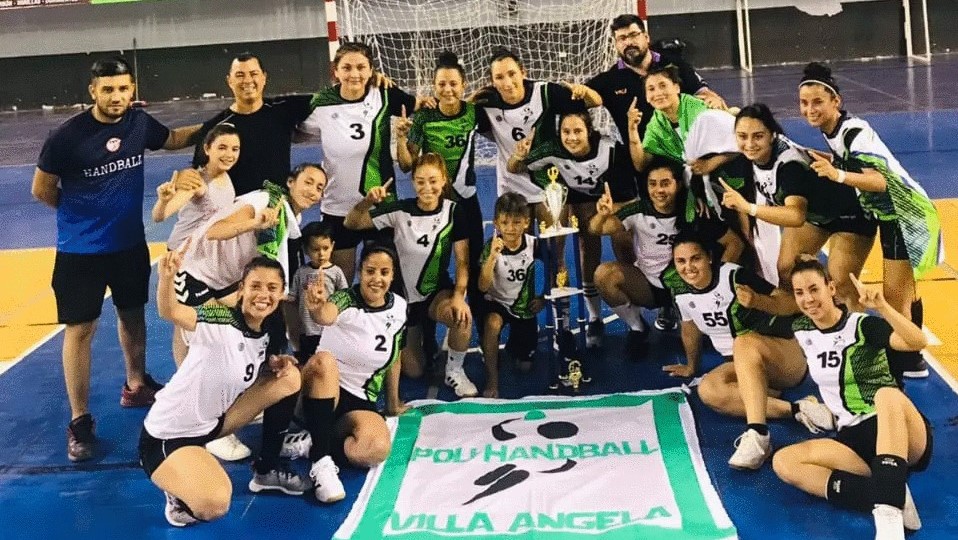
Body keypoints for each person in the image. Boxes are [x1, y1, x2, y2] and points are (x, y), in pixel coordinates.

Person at [31, 56, 200, 462]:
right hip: (80, 252)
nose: (116, 96)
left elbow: (174, 139)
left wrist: (225, 122)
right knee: (80, 330)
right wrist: (80, 217)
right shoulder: (67, 136)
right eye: (108, 89)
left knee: (133, 315)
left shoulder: (138, 124)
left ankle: (136, 384)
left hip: (129, 245)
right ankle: (79, 420)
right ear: (93, 91)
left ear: (132, 90)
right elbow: (42, 189)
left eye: (123, 88)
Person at [140, 251, 306, 527]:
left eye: (271, 288)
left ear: (281, 294)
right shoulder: (219, 319)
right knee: (214, 504)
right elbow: (170, 311)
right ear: (241, 290)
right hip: (168, 436)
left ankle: (268, 467)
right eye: (255, 286)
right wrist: (166, 279)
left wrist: (273, 363)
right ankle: (175, 489)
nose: (263, 294)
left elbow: (245, 366)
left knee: (289, 378)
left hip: (211, 426)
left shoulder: (267, 330)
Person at [799, 62, 942, 379]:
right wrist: (823, 158)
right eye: (804, 103)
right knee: (903, 289)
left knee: (896, 294)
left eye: (818, 102)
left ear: (836, 101)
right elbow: (850, 161)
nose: (810, 109)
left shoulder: (856, 132)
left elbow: (879, 180)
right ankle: (911, 357)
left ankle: (904, 360)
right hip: (891, 214)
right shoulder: (836, 132)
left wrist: (836, 174)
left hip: (906, 215)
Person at [773, 257, 932, 540]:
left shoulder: (862, 326)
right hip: (852, 438)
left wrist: (882, 307)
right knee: (784, 462)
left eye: (814, 289)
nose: (808, 299)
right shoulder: (801, 330)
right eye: (800, 293)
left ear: (831, 288)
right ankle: (890, 493)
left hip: (898, 429)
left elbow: (917, 342)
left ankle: (888, 523)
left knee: (887, 395)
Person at [175, 163, 325, 461]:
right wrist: (254, 223)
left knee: (231, 346)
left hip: (226, 281)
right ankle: (208, 429)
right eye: (308, 182)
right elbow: (217, 231)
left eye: (320, 188)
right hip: (198, 276)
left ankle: (233, 408)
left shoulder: (288, 216)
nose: (314, 191)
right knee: (212, 352)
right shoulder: (264, 201)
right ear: (290, 181)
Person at [664, 232, 836, 470]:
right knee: (709, 391)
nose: (689, 267)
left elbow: (789, 303)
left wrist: (758, 301)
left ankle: (758, 434)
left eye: (696, 259)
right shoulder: (679, 289)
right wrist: (691, 366)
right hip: (743, 366)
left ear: (710, 258)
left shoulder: (734, 276)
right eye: (681, 262)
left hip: (782, 355)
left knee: (743, 342)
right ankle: (799, 409)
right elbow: (690, 327)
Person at [345, 154, 477, 397]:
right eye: (420, 181)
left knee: (462, 317)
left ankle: (455, 371)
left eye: (433, 181)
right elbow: (352, 223)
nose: (427, 187)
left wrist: (459, 296)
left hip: (435, 295)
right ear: (413, 182)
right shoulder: (400, 211)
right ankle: (426, 341)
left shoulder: (454, 212)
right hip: (404, 301)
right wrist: (367, 202)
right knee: (414, 371)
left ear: (444, 181)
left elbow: (462, 262)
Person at [509, 110, 639, 348]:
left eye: (578, 131)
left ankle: (596, 318)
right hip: (564, 196)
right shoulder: (552, 151)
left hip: (599, 200)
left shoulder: (609, 150)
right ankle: (564, 325)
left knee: (592, 248)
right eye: (566, 132)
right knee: (555, 253)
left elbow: (629, 193)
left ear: (589, 131)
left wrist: (610, 210)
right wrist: (518, 156)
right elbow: (513, 167)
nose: (571, 137)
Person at [720, 103, 875, 297]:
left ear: (771, 135)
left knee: (841, 285)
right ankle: (802, 321)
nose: (749, 144)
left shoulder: (789, 167)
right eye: (742, 136)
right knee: (787, 270)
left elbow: (795, 216)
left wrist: (747, 207)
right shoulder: (759, 152)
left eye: (758, 136)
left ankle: (849, 317)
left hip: (851, 213)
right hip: (817, 213)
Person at [589, 158, 743, 355]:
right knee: (604, 275)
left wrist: (715, 282)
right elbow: (596, 230)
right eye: (653, 184)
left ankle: (694, 317)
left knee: (702, 344)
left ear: (677, 185)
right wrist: (602, 214)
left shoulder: (693, 212)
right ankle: (637, 328)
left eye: (665, 183)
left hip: (689, 287)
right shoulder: (638, 210)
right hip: (649, 286)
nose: (659, 190)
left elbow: (734, 243)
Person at [300, 41, 424, 282]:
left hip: (381, 205)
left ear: (371, 70)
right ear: (335, 71)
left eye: (361, 67)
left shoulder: (386, 95)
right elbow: (292, 130)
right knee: (340, 282)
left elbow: (424, 107)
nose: (354, 74)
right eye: (347, 68)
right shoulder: (320, 103)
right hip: (337, 207)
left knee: (383, 279)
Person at [298, 245, 409, 503]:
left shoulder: (399, 308)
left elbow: (394, 357)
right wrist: (316, 308)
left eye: (384, 272)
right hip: (322, 388)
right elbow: (327, 315)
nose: (377, 279)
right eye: (370, 271)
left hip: (360, 400)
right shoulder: (345, 299)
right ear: (360, 271)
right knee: (324, 362)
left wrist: (392, 404)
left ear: (393, 276)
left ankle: (313, 441)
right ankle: (321, 461)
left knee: (374, 450)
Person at [396, 51, 490, 342]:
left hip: (467, 202)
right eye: (441, 85)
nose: (447, 90)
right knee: (430, 265)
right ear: (433, 87)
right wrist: (400, 138)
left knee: (472, 266)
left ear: (464, 85)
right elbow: (406, 164)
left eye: (453, 84)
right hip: (434, 205)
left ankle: (480, 325)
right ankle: (425, 334)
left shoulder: (474, 112)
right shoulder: (423, 117)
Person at [474, 47, 602, 213]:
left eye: (512, 74)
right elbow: (462, 116)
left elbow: (595, 102)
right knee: (516, 237)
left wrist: (585, 91)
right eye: (499, 77)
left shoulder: (545, 92)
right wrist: (470, 100)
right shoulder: (486, 104)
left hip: (548, 181)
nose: (507, 83)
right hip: (511, 183)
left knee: (554, 236)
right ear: (492, 82)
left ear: (523, 72)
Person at [187, 52, 314, 197]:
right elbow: (198, 176)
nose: (247, 80)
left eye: (253, 73)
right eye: (240, 75)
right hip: (236, 213)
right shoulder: (216, 128)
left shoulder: (284, 108)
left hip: (277, 211)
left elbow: (331, 98)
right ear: (229, 81)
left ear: (264, 77)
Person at [587, 14, 726, 143]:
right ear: (616, 44)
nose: (628, 42)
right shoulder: (609, 80)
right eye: (622, 38)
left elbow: (702, 92)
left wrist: (712, 99)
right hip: (647, 155)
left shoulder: (674, 63)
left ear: (646, 37)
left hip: (690, 143)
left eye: (633, 35)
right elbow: (576, 98)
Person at [478, 193, 547, 397]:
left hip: (524, 308)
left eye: (517, 222)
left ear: (527, 222)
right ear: (497, 223)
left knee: (524, 366)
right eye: (505, 222)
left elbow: (557, 271)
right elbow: (482, 287)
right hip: (496, 302)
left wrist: (543, 298)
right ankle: (492, 379)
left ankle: (514, 347)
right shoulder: (491, 246)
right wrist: (492, 257)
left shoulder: (535, 245)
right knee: (492, 323)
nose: (510, 228)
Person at [153, 122, 240, 250]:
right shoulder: (196, 181)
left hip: (204, 252)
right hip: (182, 254)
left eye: (234, 149)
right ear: (207, 149)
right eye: (222, 148)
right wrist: (163, 201)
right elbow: (159, 216)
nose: (229, 155)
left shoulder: (226, 175)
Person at [286, 221, 349, 364]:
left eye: (325, 248)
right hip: (306, 328)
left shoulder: (336, 272)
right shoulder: (301, 272)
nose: (321, 254)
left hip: (328, 328)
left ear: (332, 246)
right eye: (315, 249)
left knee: (327, 361)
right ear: (306, 250)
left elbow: (345, 296)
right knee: (306, 361)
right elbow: (292, 298)